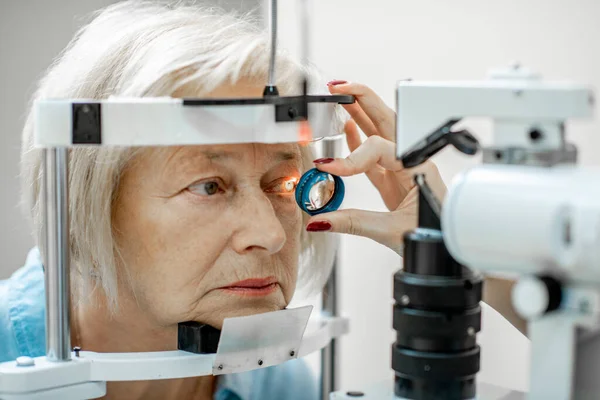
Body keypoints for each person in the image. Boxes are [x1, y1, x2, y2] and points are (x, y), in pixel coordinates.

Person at [0, 2, 523, 400]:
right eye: (209, 185)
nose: (272, 234)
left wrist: (449, 243)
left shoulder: (272, 379)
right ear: (88, 203)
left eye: (282, 184)